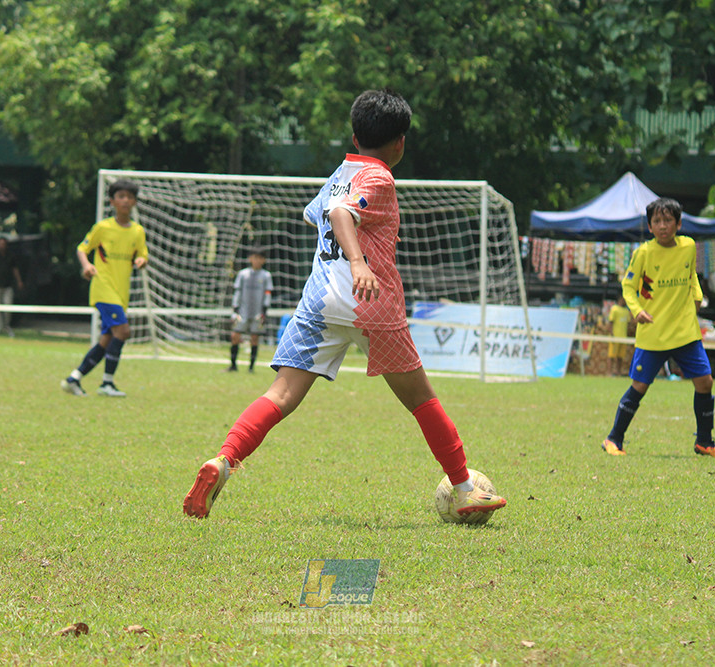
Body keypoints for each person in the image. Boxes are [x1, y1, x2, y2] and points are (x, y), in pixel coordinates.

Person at [183, 89, 508, 519]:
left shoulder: (341, 171)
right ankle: (465, 488)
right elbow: (339, 214)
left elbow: (318, 212)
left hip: (319, 300)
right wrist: (359, 261)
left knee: (280, 394)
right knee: (421, 400)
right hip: (370, 302)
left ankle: (223, 460)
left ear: (355, 137)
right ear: (400, 143)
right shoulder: (380, 178)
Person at [602, 197, 715, 459]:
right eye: (657, 221)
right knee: (639, 386)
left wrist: (697, 297)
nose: (663, 226)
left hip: (685, 332)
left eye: (668, 220)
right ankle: (613, 439)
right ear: (650, 227)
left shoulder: (688, 247)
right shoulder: (644, 253)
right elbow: (628, 287)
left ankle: (705, 442)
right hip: (653, 333)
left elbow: (691, 277)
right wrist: (637, 310)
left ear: (679, 223)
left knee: (705, 382)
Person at [61, 179, 148, 398]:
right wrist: (87, 265)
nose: (125, 200)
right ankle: (107, 383)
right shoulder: (103, 227)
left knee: (107, 340)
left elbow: (142, 254)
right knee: (124, 331)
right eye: (121, 196)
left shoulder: (137, 231)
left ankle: (74, 378)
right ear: (112, 201)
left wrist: (141, 261)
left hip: (121, 293)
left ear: (135, 202)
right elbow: (82, 248)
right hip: (103, 288)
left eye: (129, 197)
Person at [227, 250, 273, 373]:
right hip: (242, 312)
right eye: (254, 257)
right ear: (250, 259)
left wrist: (264, 310)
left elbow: (267, 293)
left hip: (258, 313)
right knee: (235, 336)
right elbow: (237, 291)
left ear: (263, 260)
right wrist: (235, 308)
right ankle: (233, 365)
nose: (257, 261)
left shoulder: (266, 275)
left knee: (254, 338)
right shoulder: (243, 274)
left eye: (260, 258)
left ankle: (251, 367)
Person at [607, 296, 631, 376]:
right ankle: (609, 372)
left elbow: (628, 323)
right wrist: (611, 334)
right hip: (615, 337)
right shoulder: (614, 309)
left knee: (620, 356)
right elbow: (610, 322)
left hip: (623, 337)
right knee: (611, 356)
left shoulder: (626, 311)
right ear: (621, 299)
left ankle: (618, 372)